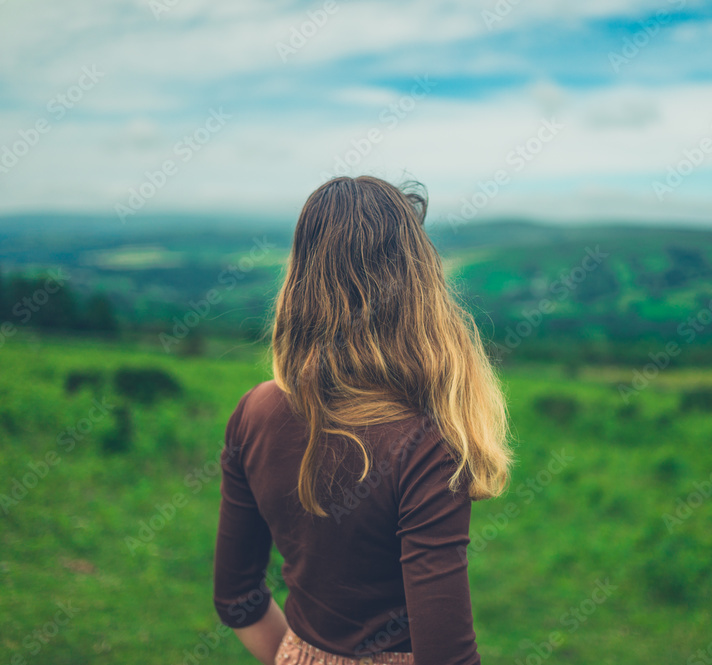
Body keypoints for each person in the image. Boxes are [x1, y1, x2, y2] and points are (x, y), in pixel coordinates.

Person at [213, 175, 513, 665]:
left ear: (300, 280)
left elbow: (235, 599)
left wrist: (299, 656)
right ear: (418, 287)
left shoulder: (254, 411)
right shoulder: (429, 443)